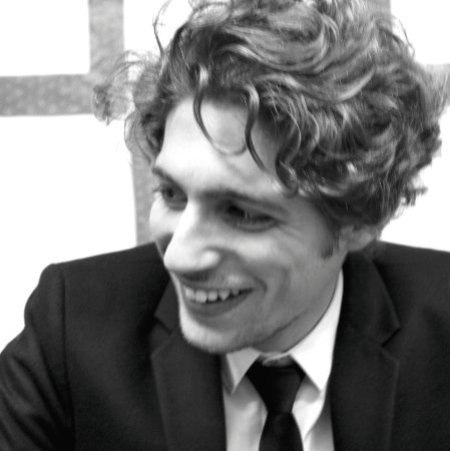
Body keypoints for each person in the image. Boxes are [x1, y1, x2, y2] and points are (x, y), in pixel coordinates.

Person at [1, 0, 449, 449]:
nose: (179, 257)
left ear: (360, 220)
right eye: (172, 194)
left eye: (242, 213)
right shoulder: (71, 331)